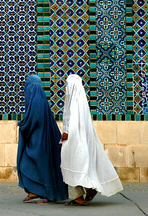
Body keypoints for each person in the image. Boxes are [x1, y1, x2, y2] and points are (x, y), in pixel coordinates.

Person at [60, 74, 123, 206]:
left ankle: (80, 196)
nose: (67, 88)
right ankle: (89, 189)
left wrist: (65, 133)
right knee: (79, 166)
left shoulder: (75, 102)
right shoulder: (80, 102)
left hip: (74, 141)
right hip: (79, 141)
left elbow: (70, 120)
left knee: (73, 165)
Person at [17, 75, 68, 203]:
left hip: (39, 141)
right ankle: (35, 192)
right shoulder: (40, 98)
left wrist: (23, 125)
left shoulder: (36, 100)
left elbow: (35, 119)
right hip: (38, 139)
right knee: (39, 165)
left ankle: (47, 194)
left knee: (35, 164)